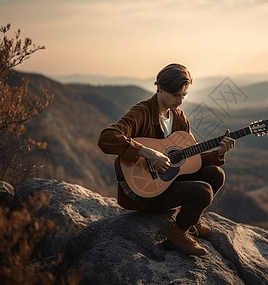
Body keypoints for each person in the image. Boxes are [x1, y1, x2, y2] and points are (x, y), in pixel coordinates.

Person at [97, 63, 235, 256]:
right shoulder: (141, 112)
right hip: (143, 191)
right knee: (203, 192)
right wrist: (149, 153)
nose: (180, 101)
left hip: (166, 183)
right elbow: (107, 138)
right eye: (175, 95)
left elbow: (188, 160)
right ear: (160, 88)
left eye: (184, 96)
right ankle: (177, 235)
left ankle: (191, 220)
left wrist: (218, 153)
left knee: (216, 174)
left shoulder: (179, 118)